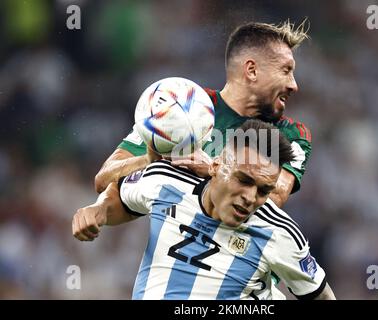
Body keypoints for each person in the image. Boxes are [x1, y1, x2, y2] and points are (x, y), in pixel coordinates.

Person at [73, 120, 335, 300]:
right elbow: (119, 191)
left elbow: (320, 295)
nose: (250, 198)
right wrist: (97, 211)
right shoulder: (167, 183)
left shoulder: (279, 233)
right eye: (243, 180)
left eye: (264, 191)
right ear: (215, 165)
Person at [94, 20, 312, 208]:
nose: (294, 85)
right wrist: (153, 159)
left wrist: (213, 170)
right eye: (286, 71)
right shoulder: (181, 104)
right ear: (252, 70)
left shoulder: (290, 133)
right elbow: (104, 178)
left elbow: (275, 197)